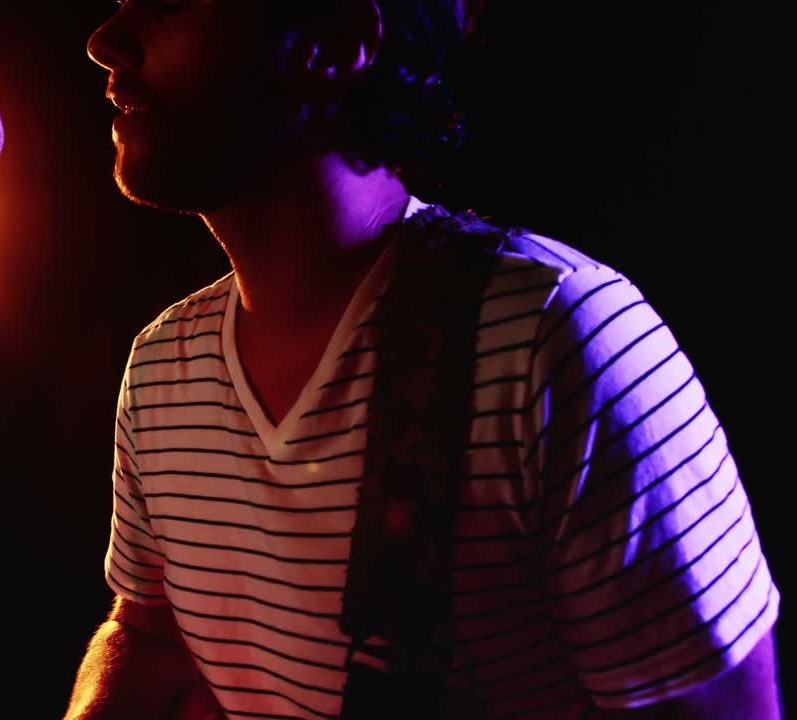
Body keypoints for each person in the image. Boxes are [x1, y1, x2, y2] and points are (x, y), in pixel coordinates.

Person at [64, 1, 782, 718]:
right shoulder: (162, 368)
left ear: (333, 42)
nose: (105, 43)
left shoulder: (560, 339)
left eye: (162, 3)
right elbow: (151, 632)